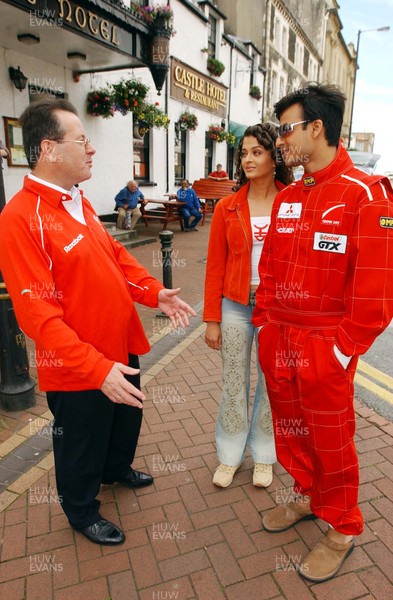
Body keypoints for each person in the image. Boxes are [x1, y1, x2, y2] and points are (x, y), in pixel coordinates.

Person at [0, 98, 196, 547]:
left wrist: (153, 292)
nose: (91, 149)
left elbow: (117, 257)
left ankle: (115, 470)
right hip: (78, 367)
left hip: (119, 345)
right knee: (80, 442)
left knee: (124, 421)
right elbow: (38, 316)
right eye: (81, 140)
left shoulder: (79, 201)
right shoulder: (20, 219)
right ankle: (81, 508)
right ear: (49, 149)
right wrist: (95, 369)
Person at [252, 83, 393, 583]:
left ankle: (343, 527)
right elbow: (268, 271)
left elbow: (376, 295)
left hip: (324, 345)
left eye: (286, 128)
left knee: (331, 441)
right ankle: (309, 499)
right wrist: (266, 326)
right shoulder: (290, 196)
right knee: (291, 432)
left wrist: (339, 350)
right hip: (281, 340)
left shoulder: (366, 194)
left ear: (317, 128)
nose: (280, 139)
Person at [203, 123, 293, 488]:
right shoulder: (227, 207)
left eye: (257, 152)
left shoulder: (292, 202)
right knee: (233, 382)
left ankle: (264, 455)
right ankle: (229, 455)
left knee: (272, 384)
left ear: (274, 157)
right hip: (236, 305)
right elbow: (214, 266)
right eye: (244, 153)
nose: (248, 159)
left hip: (276, 308)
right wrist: (212, 319)